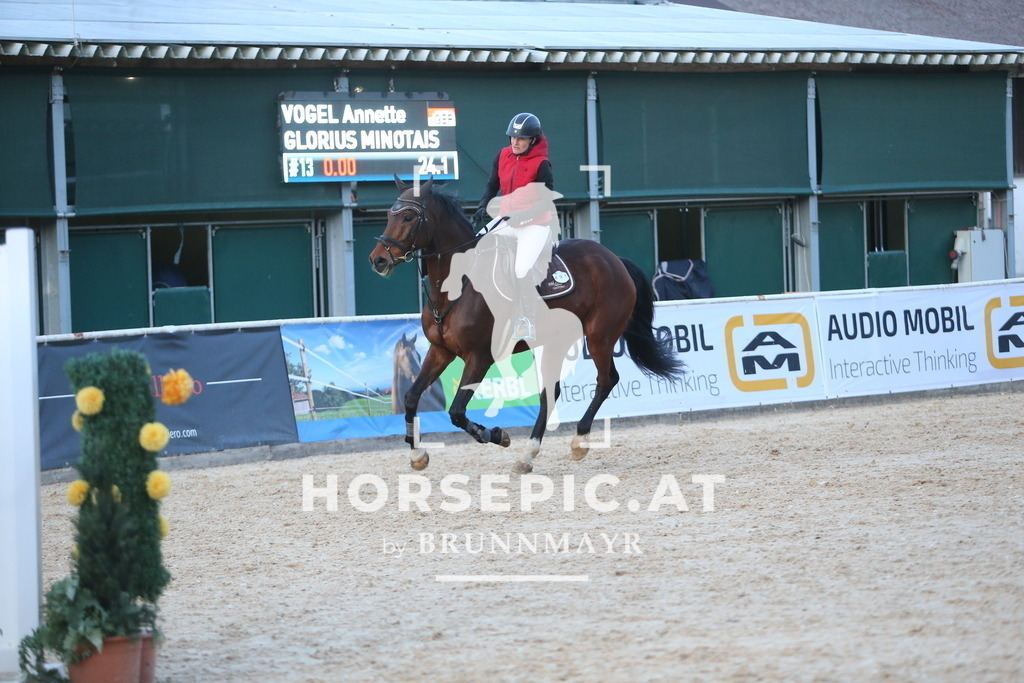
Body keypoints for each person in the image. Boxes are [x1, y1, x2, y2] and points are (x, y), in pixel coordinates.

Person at [473, 112, 559, 341]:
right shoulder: (503, 155)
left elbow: (545, 201)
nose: (515, 142)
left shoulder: (542, 164)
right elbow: (492, 184)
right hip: (508, 219)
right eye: (512, 137)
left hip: (535, 224)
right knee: (476, 245)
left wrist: (522, 217)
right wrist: (482, 206)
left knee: (521, 268)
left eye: (521, 139)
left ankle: (526, 321)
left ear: (533, 140)